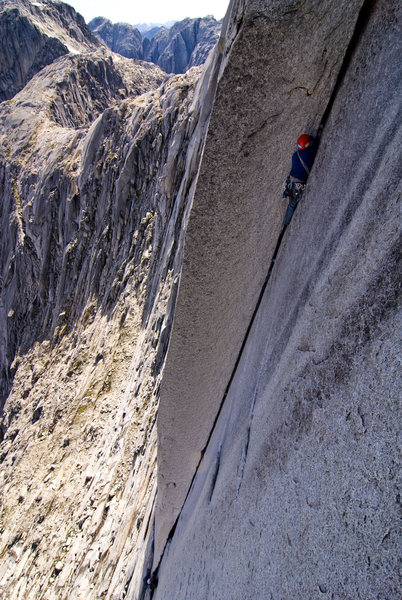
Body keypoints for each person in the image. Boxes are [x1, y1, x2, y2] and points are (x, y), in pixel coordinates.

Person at [282, 128, 321, 225]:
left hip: (291, 181)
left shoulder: (295, 155)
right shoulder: (309, 153)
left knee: (291, 200)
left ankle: (286, 221)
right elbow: (315, 144)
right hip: (298, 183)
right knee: (293, 203)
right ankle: (286, 222)